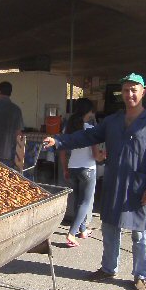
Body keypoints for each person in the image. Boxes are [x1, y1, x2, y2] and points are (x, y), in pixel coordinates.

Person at [44, 73, 146, 290]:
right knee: (110, 228)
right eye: (126, 90)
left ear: (143, 92)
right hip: (114, 182)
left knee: (140, 234)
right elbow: (86, 138)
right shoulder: (112, 121)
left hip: (139, 186)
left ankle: (141, 276)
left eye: (134, 90)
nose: (129, 94)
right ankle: (108, 268)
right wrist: (59, 141)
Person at [58, 99, 105, 248]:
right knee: (85, 202)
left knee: (79, 201)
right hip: (87, 170)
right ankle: (72, 233)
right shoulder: (90, 129)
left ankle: (83, 230)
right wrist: (104, 155)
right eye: (92, 111)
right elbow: (96, 155)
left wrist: (65, 168)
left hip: (73, 168)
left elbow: (62, 152)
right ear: (89, 112)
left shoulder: (69, 129)